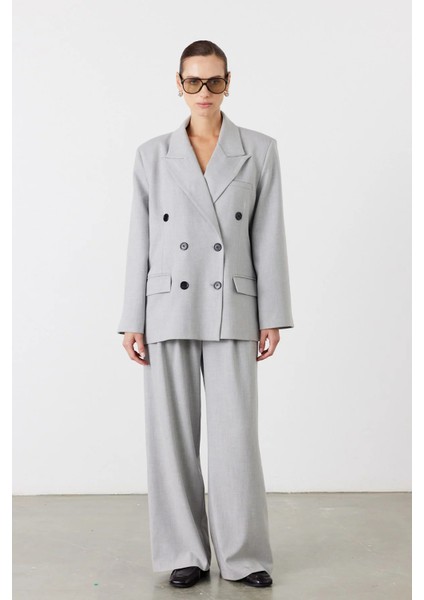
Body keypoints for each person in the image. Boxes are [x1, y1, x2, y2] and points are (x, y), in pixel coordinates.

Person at [117, 40, 294, 589]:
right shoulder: (152, 154)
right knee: (170, 436)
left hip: (232, 304)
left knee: (236, 437)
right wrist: (132, 318)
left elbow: (268, 235)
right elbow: (140, 239)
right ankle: (183, 552)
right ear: (178, 84)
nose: (204, 92)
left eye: (214, 81)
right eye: (193, 81)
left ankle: (243, 554)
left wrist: (273, 313)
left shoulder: (258, 150)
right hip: (167, 304)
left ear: (228, 83)